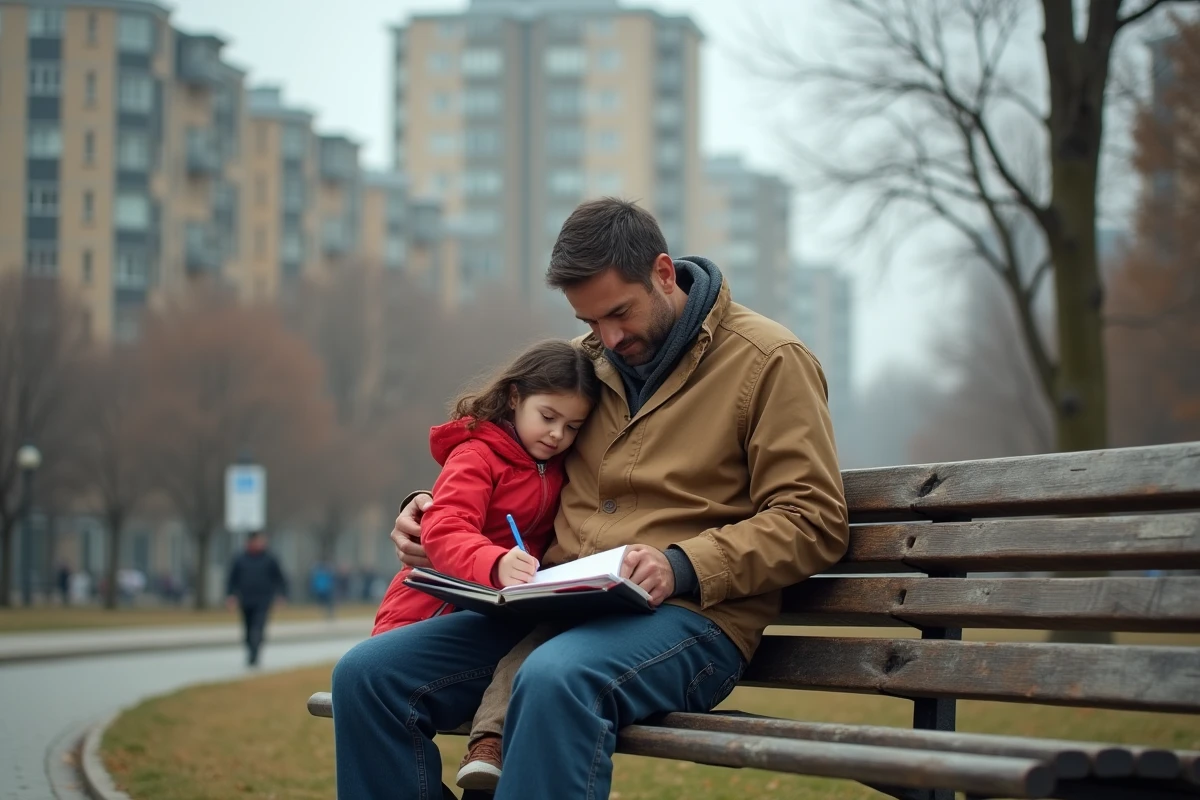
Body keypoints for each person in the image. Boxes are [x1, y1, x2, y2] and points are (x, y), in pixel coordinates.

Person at [332, 198, 850, 800]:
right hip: (551, 608)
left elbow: (813, 520)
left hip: (690, 618)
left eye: (618, 314)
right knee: (367, 678)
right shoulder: (584, 366)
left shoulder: (768, 362)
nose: (606, 337)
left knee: (556, 679)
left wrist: (680, 564)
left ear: (662, 273)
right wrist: (426, 505)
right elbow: (502, 451)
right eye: (589, 320)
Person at [370, 339, 600, 791]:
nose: (557, 435)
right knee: (393, 726)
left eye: (573, 427)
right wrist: (493, 563)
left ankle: (487, 749)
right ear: (515, 398)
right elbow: (446, 525)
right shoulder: (477, 453)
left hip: (495, 616)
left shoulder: (555, 467)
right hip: (427, 610)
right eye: (548, 417)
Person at [225, 531, 288, 667]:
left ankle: (255, 652)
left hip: (263, 600)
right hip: (246, 599)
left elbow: (280, 578)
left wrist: (281, 595)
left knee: (258, 627)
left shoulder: (269, 559)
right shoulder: (240, 559)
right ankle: (250, 649)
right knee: (247, 628)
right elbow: (232, 579)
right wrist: (231, 595)